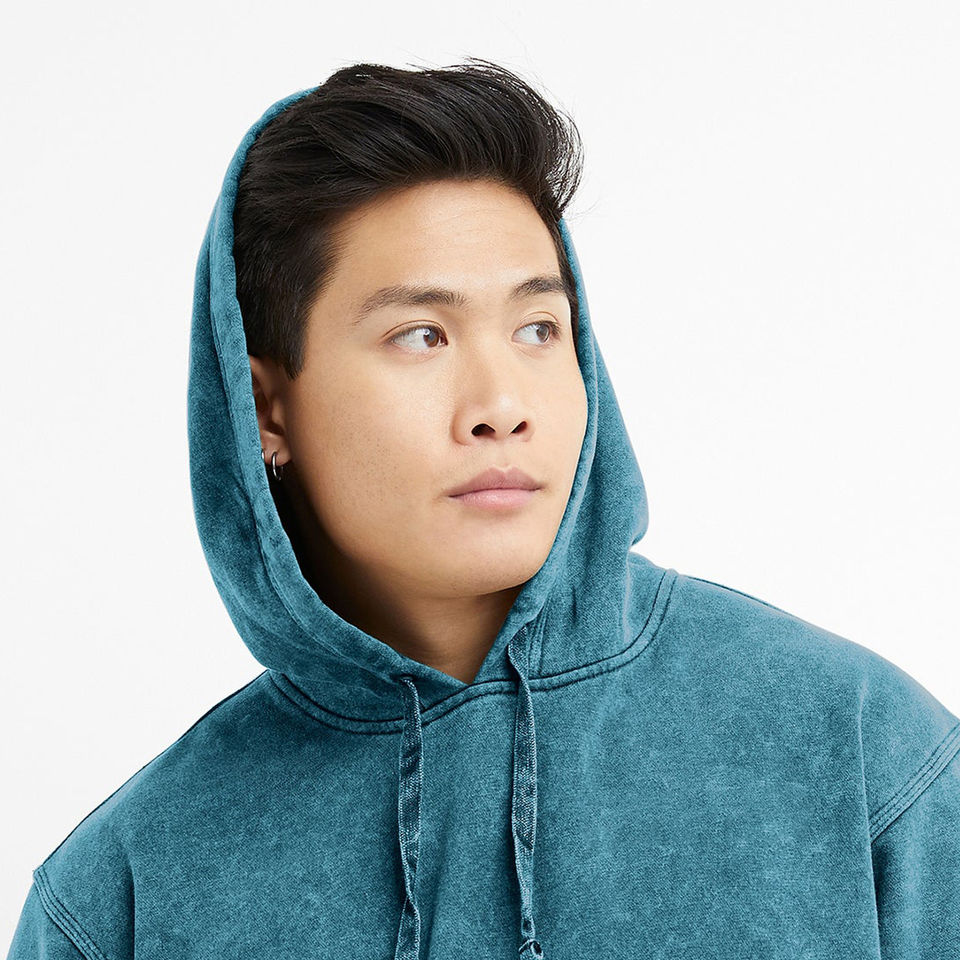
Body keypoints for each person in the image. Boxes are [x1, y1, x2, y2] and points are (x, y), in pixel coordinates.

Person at [7, 58, 959, 960]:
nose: (502, 404)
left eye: (539, 328)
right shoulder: (123, 896)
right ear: (266, 410)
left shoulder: (862, 755)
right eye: (421, 335)